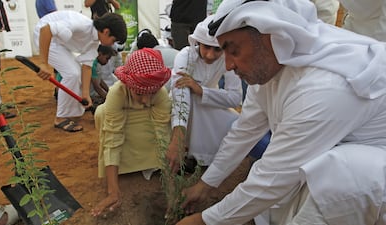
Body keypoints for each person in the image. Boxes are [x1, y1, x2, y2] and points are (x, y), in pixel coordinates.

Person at [176, 0, 386, 225]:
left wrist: (204, 220)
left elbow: (274, 177)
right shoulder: (269, 70)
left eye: (234, 51)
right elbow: (244, 131)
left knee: (336, 179)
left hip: (367, 175)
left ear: (271, 37)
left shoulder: (325, 86)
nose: (227, 66)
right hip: (323, 153)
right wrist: (206, 185)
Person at [91, 48, 172, 217]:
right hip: (122, 123)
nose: (146, 100)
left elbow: (162, 134)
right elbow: (113, 138)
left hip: (146, 128)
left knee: (168, 118)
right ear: (128, 84)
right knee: (101, 113)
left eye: (152, 93)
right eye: (140, 93)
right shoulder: (117, 92)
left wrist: (171, 188)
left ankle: (151, 164)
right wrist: (113, 192)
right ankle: (118, 171)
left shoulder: (161, 94)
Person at [166, 15, 243, 173]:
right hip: (181, 106)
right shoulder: (185, 56)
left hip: (209, 102)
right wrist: (178, 138)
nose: (210, 55)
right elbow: (180, 95)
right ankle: (189, 154)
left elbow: (235, 98)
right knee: (190, 96)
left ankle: (205, 158)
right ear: (198, 42)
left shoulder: (227, 58)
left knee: (238, 124)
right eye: (206, 47)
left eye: (217, 49)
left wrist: (201, 90)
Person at [33, 11, 127, 132]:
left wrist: (85, 94)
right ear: (106, 32)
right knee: (72, 73)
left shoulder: (94, 42)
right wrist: (43, 64)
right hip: (44, 36)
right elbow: (46, 30)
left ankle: (70, 113)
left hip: (59, 42)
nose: (112, 44)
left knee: (75, 72)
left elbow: (86, 66)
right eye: (113, 40)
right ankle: (60, 118)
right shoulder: (81, 25)